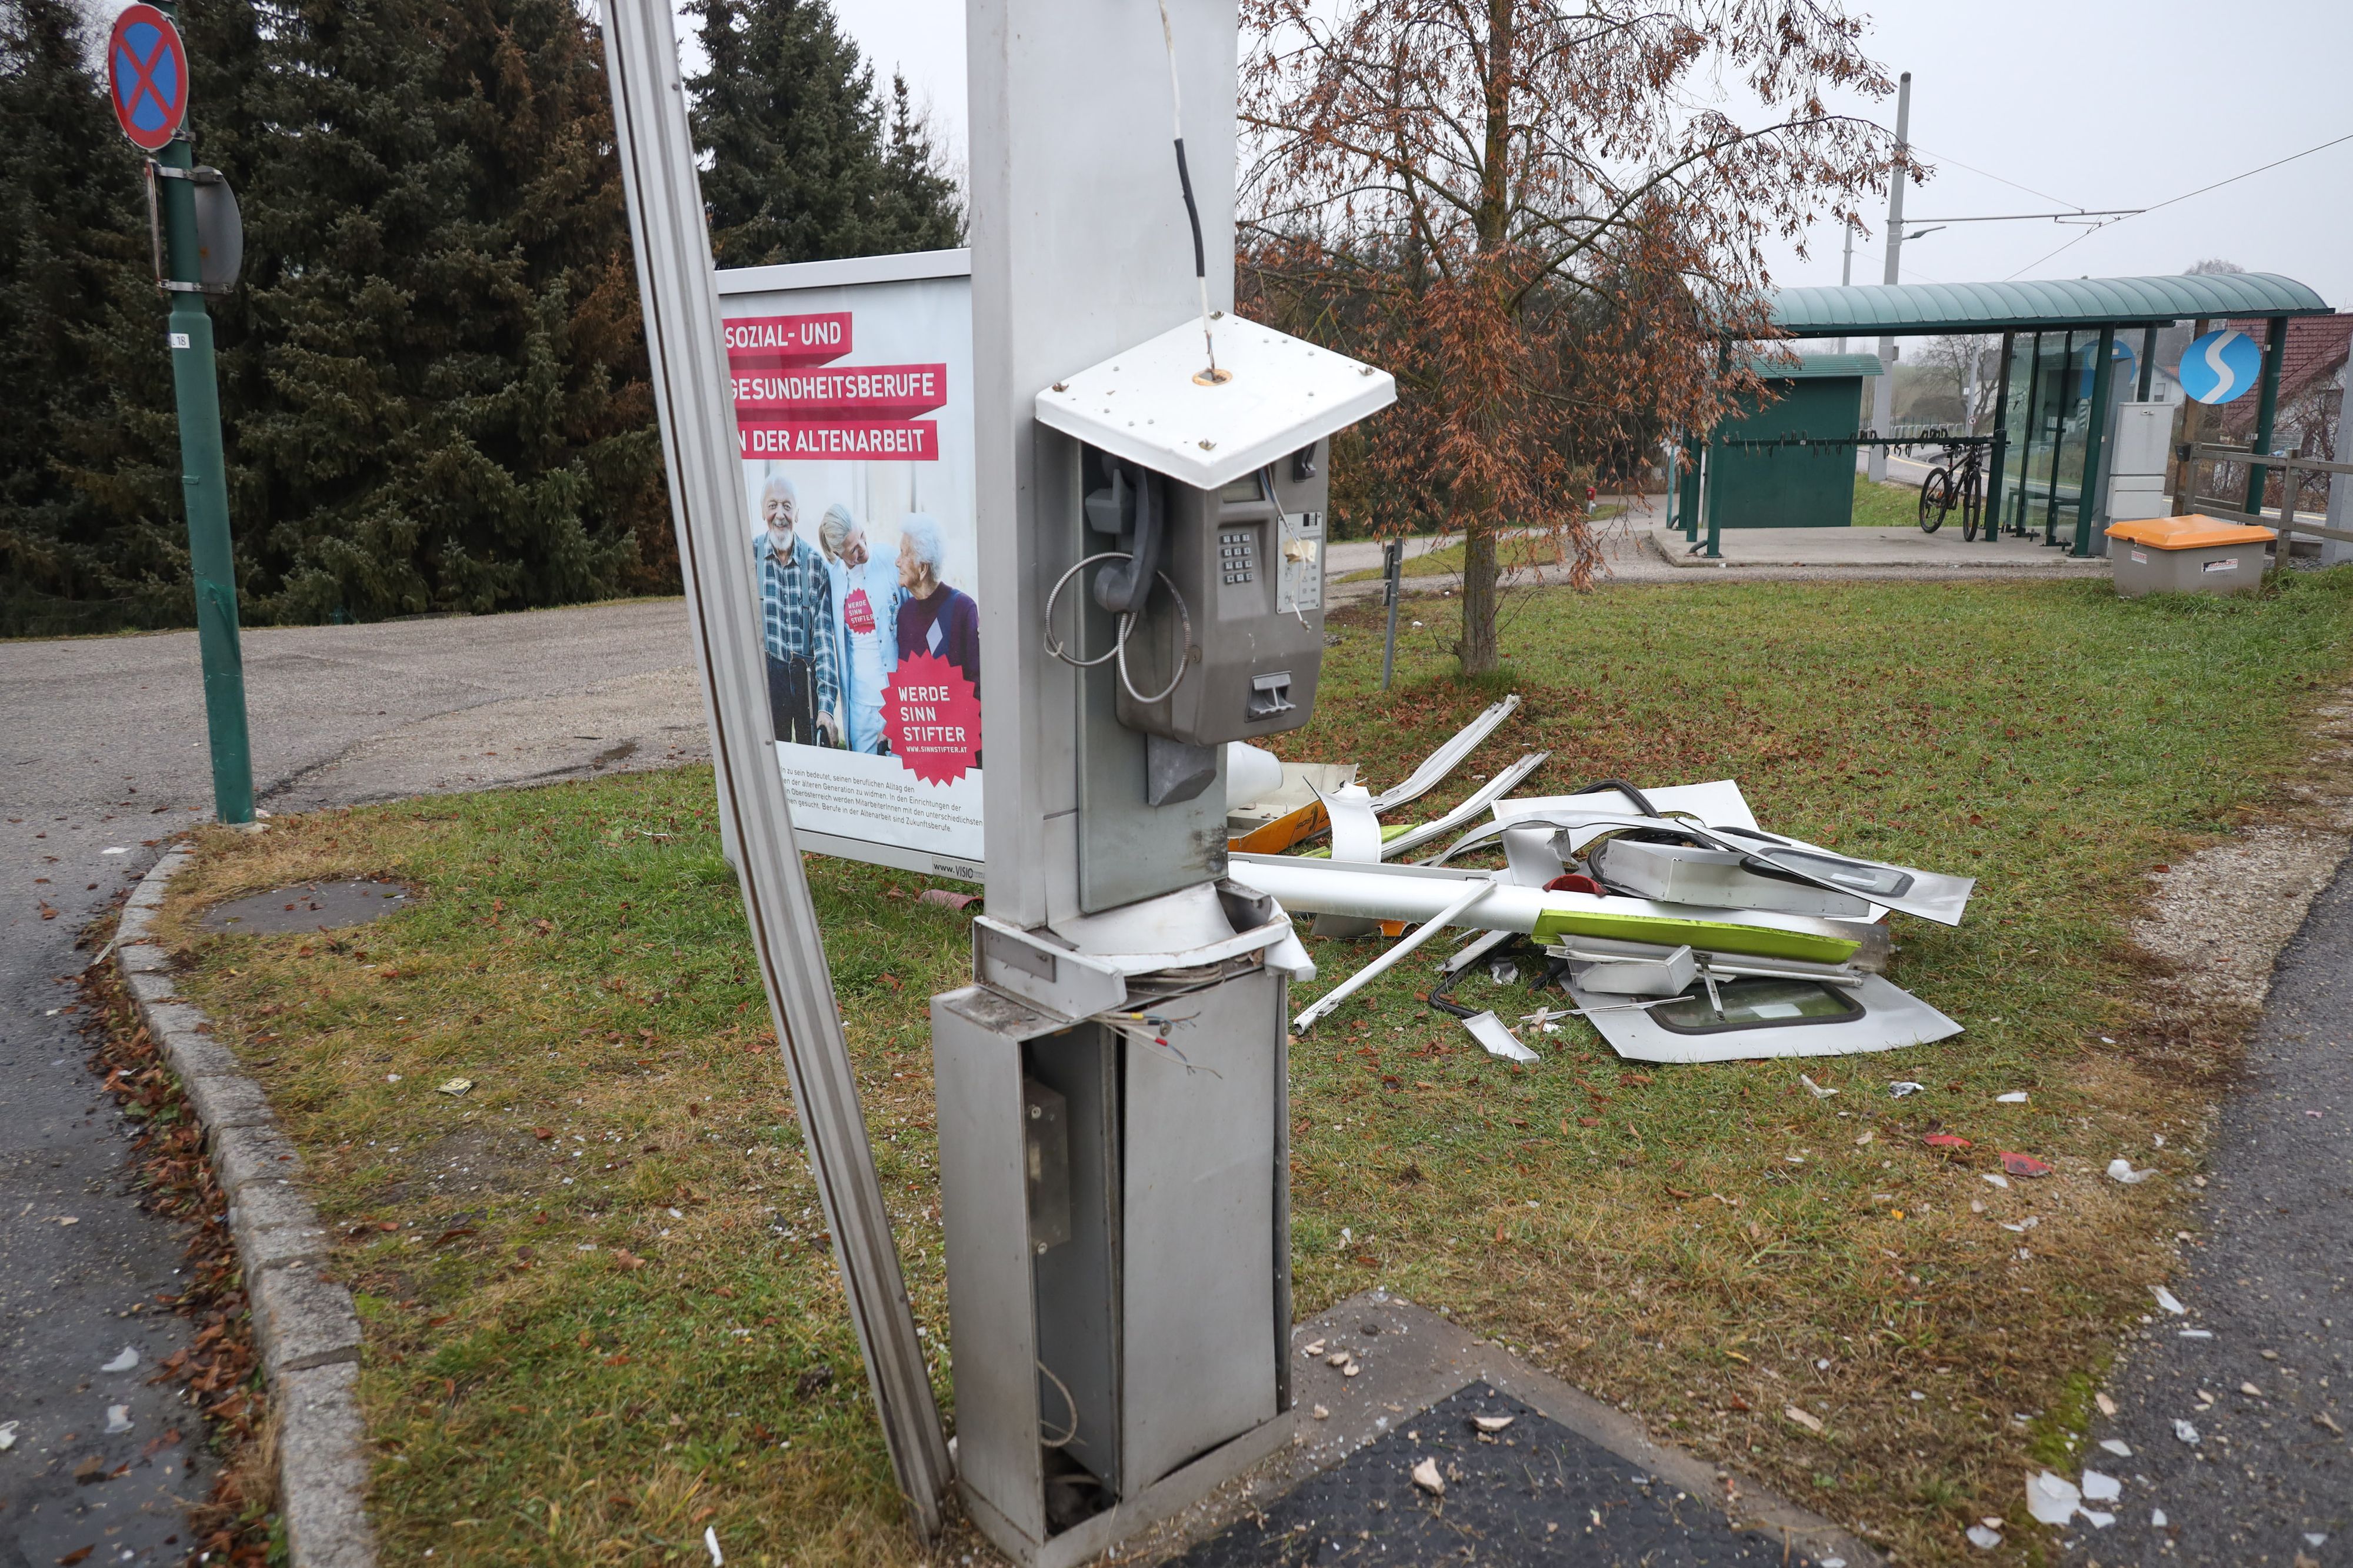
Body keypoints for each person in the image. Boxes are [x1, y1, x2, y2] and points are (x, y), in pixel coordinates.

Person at [753, 474, 840, 746]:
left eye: (787, 507)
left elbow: (824, 642)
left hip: (805, 680)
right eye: (773, 505)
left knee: (812, 763)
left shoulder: (814, 564)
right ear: (763, 511)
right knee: (769, 763)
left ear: (797, 514)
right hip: (767, 680)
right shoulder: (747, 557)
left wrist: (826, 708)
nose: (780, 514)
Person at [816, 502, 902, 755]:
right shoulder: (833, 578)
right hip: (859, 706)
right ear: (837, 552)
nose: (862, 549)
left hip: (895, 699)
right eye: (853, 550)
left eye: (862, 536)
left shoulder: (890, 561)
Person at [893, 512, 979, 696]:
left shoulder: (963, 609)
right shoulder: (905, 614)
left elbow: (977, 683)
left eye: (903, 553)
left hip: (955, 723)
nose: (897, 562)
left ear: (923, 568)